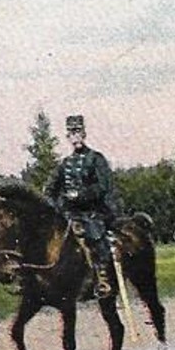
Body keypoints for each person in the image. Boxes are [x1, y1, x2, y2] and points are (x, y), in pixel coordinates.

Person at [46, 114, 124, 299]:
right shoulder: (65, 164)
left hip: (93, 211)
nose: (75, 136)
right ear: (68, 137)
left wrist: (80, 195)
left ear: (84, 134)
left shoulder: (96, 159)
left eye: (78, 132)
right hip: (70, 214)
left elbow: (103, 186)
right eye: (72, 133)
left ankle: (102, 279)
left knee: (95, 235)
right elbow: (49, 189)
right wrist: (58, 205)